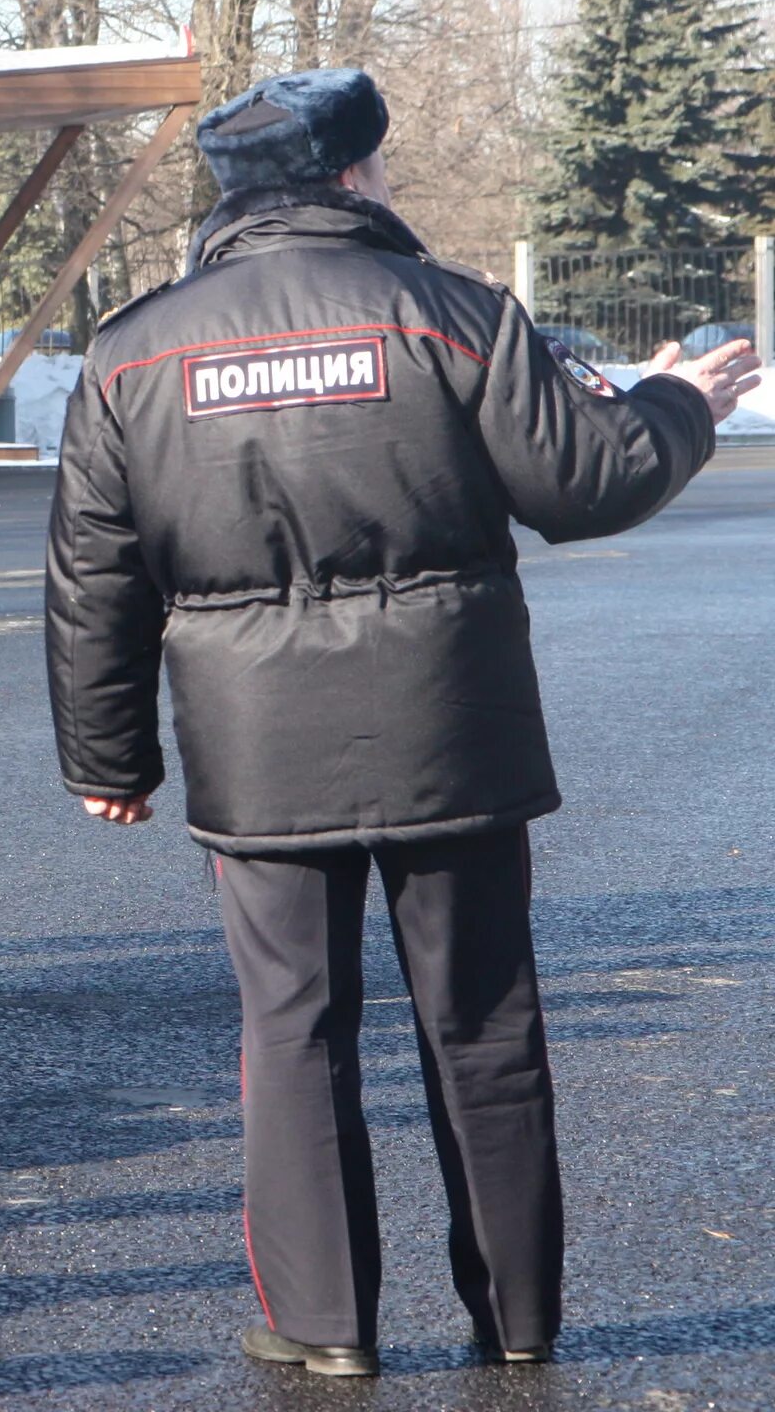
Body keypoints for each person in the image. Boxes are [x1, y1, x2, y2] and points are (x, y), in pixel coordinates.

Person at [48, 67, 757, 1379]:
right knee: (482, 1023)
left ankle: (325, 1331)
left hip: (257, 747)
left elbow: (96, 571)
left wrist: (109, 756)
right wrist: (679, 406)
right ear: (356, 175)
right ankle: (518, 1318)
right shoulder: (453, 316)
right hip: (454, 729)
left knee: (293, 1030)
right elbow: (587, 484)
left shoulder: (133, 352)